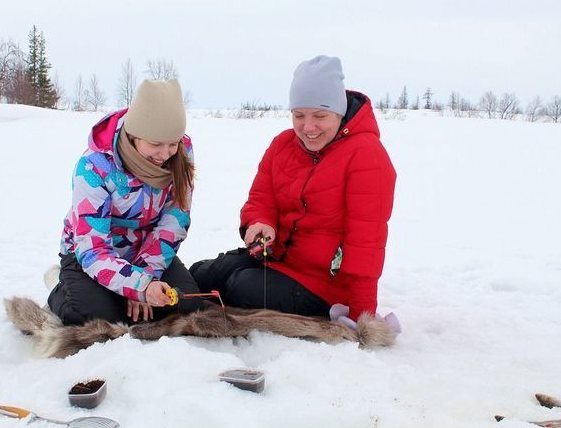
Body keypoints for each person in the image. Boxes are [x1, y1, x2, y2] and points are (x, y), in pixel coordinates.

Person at [190, 56, 396, 326]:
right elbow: (261, 199)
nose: (308, 127)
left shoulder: (367, 156)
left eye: (319, 116)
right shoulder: (283, 144)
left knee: (241, 287)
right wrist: (260, 223)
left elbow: (366, 243)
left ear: (339, 112)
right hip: (276, 261)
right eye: (299, 115)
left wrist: (361, 316)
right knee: (202, 274)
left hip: (324, 284)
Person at [48, 79, 202, 326]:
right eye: (155, 144)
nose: (165, 155)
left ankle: (116, 293)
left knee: (186, 305)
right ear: (134, 135)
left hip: (147, 251)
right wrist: (139, 286)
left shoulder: (182, 152)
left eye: (172, 144)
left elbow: (175, 221)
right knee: (98, 317)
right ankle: (63, 287)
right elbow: (92, 247)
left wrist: (146, 278)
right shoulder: (94, 166)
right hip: (91, 254)